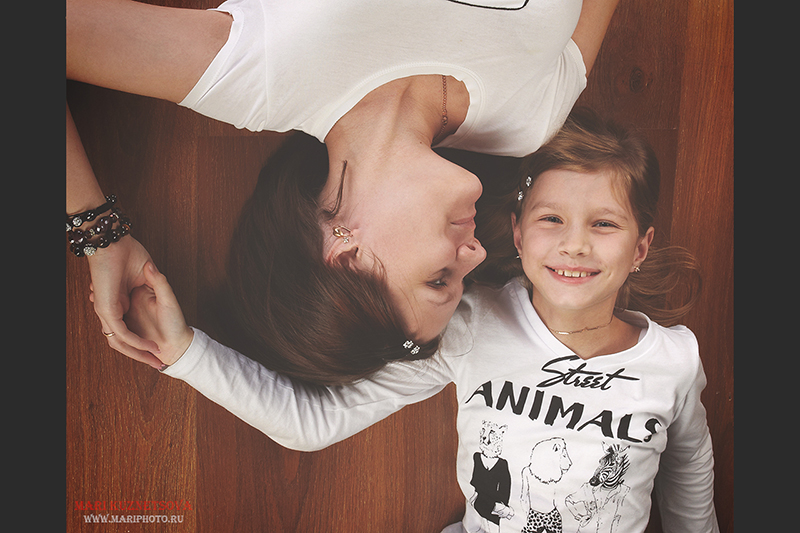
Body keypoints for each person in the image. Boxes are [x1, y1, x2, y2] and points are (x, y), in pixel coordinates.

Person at [120, 109, 718, 532]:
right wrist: (186, 352)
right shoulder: (472, 327)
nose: (576, 245)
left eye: (605, 224)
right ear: (516, 234)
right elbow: (311, 422)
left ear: (640, 248)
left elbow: (690, 467)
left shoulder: (674, 359)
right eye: (552, 220)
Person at [67, 0, 622, 383]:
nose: (475, 254)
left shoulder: (261, 79)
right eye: (464, 279)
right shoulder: (528, 120)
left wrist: (98, 233)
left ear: (348, 253)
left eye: (439, 278)